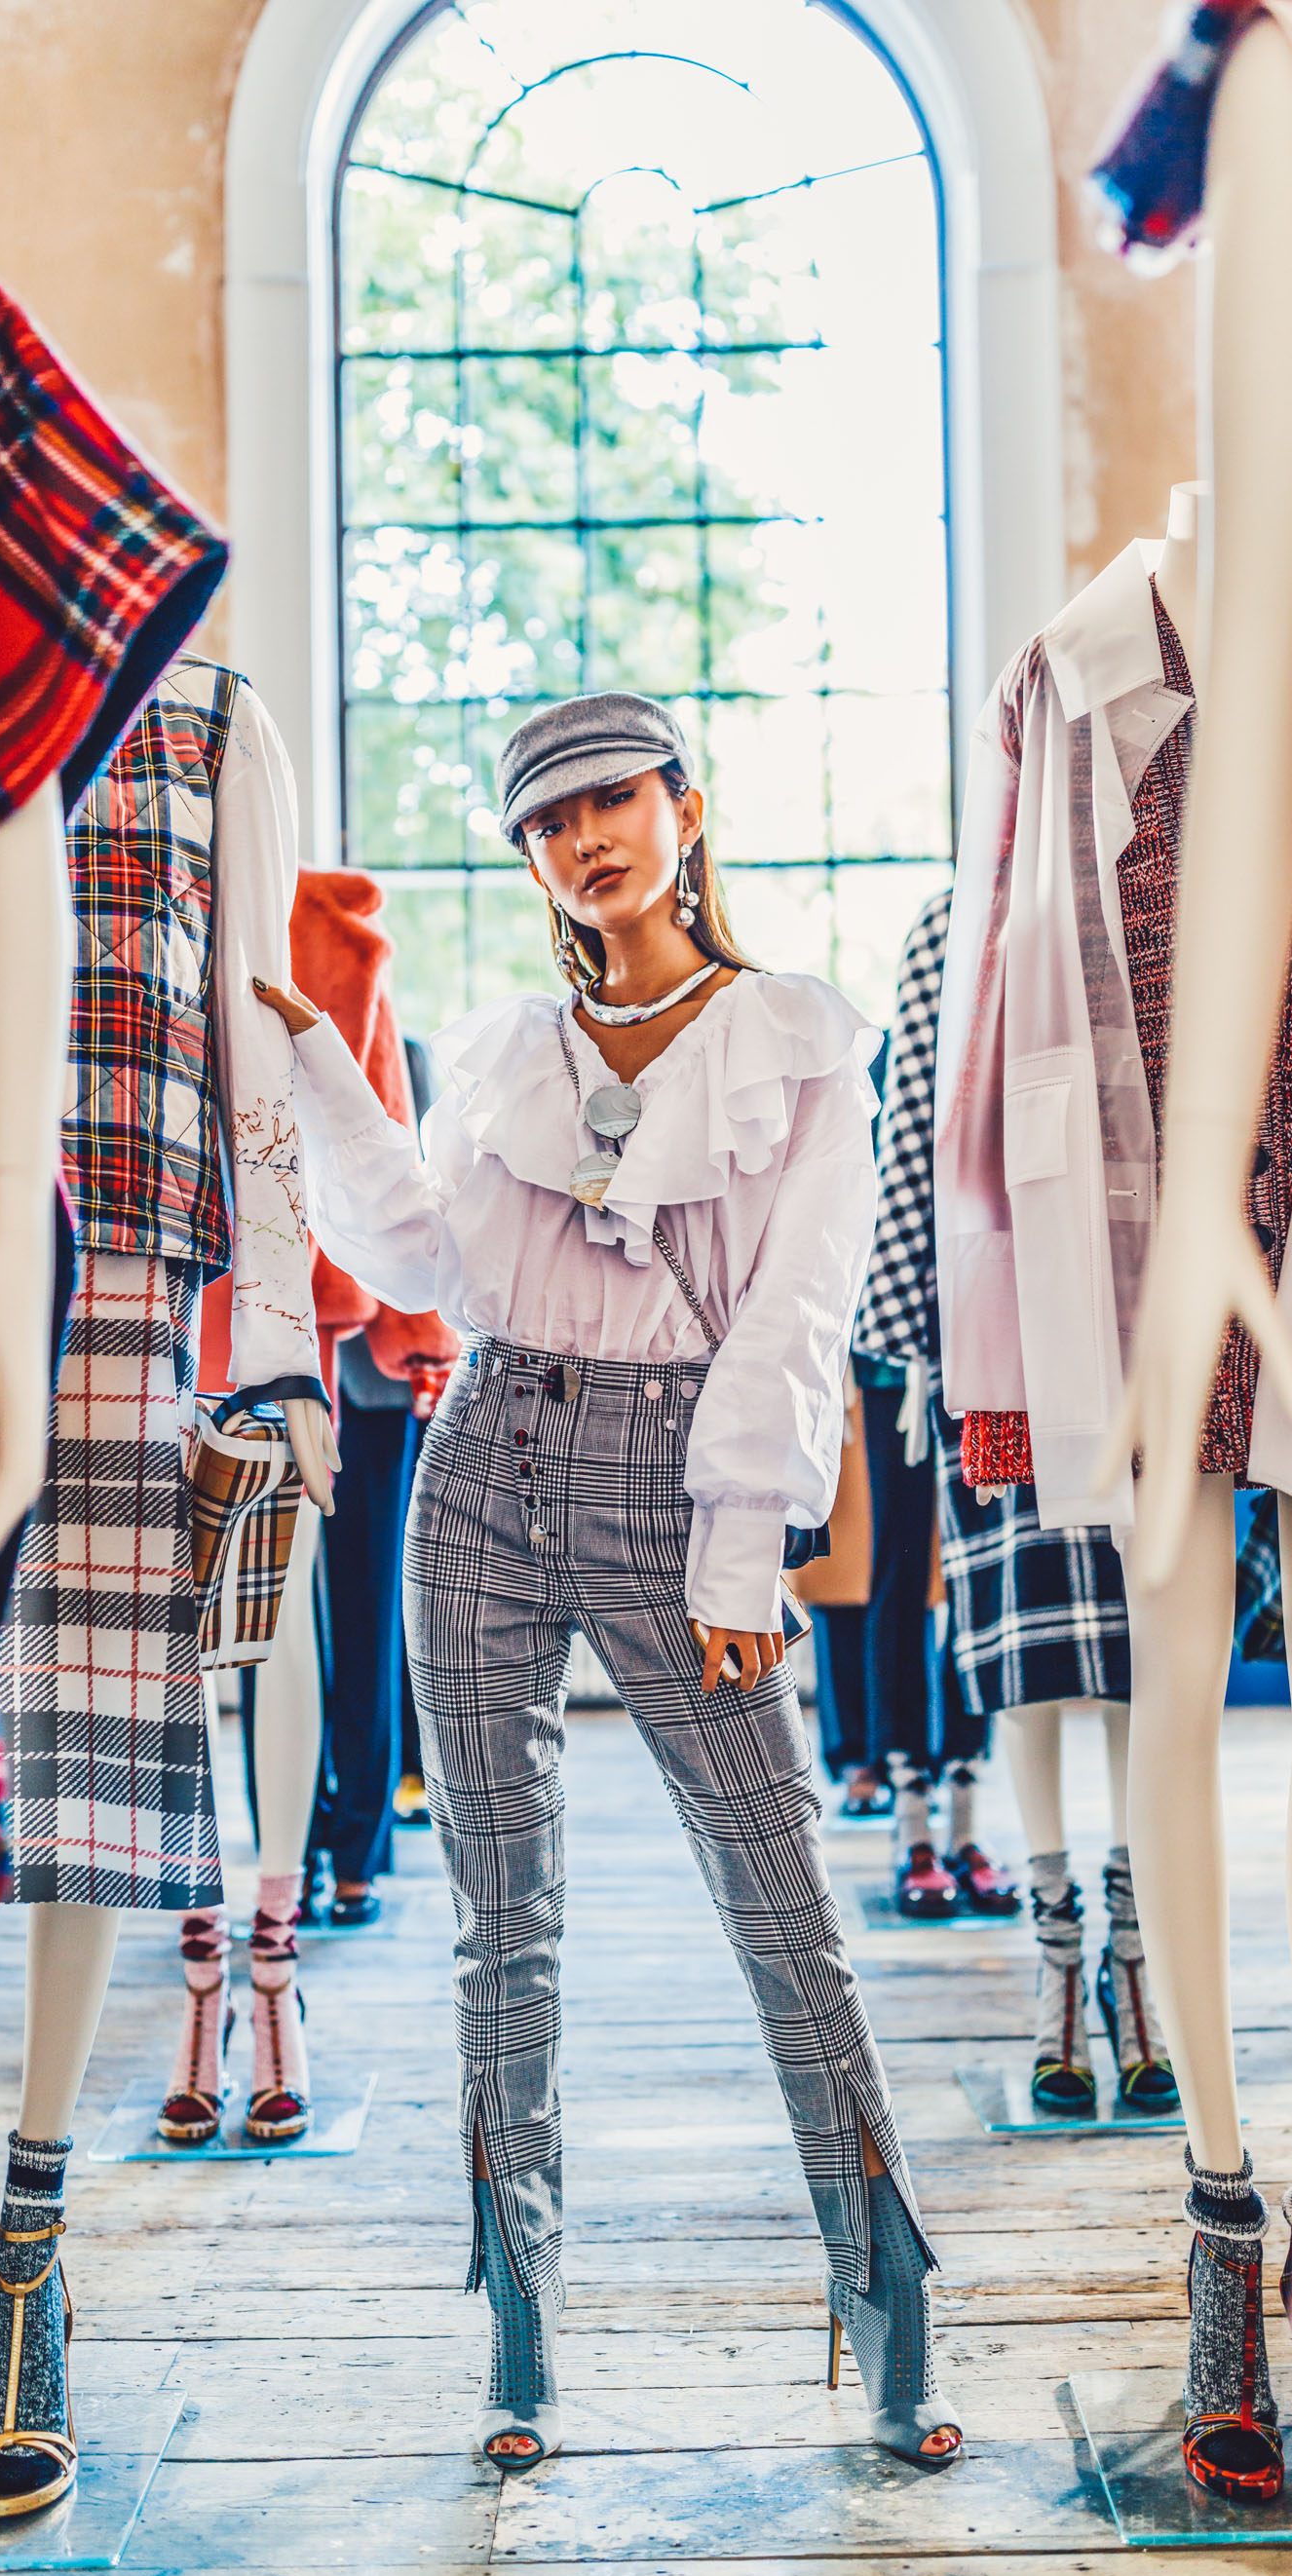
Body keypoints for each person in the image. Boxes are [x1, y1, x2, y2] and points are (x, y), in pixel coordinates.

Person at [255, 692, 962, 2478]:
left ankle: (891, 2317)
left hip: (677, 1479)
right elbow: (417, 1249)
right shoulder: (504, 1048)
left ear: (685, 808)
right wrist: (332, 1078)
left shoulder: (795, 1041)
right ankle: (520, 2339)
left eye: (615, 798)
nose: (587, 836)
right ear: (533, 860)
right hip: (480, 1465)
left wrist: (742, 1538)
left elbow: (798, 1310)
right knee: (506, 1933)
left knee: (783, 1913)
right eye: (550, 819)